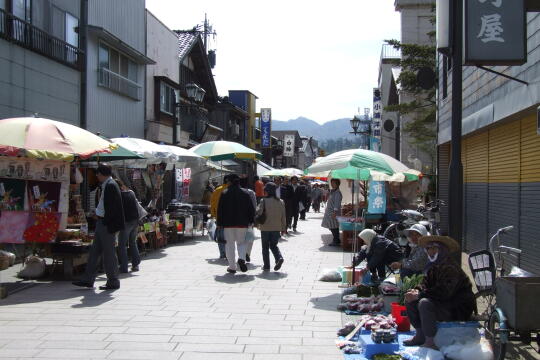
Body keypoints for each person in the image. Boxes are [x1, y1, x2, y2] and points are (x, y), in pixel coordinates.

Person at [404, 235, 475, 349]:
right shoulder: (431, 266)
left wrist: (420, 295)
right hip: (444, 303)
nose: (430, 251)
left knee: (424, 303)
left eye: (434, 248)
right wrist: (416, 291)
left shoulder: (450, 267)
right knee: (410, 299)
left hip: (458, 307)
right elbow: (424, 284)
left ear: (442, 250)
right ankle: (420, 335)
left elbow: (444, 292)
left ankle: (430, 341)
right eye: (428, 248)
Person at [73, 164, 125, 290]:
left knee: (108, 253)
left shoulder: (111, 185)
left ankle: (113, 281)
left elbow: (113, 208)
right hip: (102, 222)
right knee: (95, 251)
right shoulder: (107, 185)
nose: (96, 175)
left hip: (106, 224)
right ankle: (88, 279)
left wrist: (105, 220)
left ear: (102, 174)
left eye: (98, 173)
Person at [217, 174, 255, 274]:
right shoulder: (245, 193)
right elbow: (251, 209)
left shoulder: (224, 193)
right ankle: (242, 258)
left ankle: (232, 267)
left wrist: (219, 222)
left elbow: (220, 210)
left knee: (229, 244)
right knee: (241, 243)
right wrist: (251, 221)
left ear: (229, 182)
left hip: (228, 224)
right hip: (242, 223)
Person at [256, 182, 286, 271]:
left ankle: (266, 265)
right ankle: (279, 258)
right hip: (276, 227)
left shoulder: (263, 201)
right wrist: (284, 228)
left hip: (265, 227)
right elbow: (283, 216)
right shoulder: (281, 201)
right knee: (274, 245)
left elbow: (259, 212)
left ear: (267, 191)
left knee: (265, 247)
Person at [115, 179, 142, 273]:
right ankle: (135, 265)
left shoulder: (119, 196)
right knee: (133, 242)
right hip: (135, 221)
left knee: (122, 245)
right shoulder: (131, 193)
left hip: (126, 223)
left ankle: (123, 266)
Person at [210, 175, 231, 259]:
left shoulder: (217, 190)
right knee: (229, 237)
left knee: (221, 237)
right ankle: (229, 253)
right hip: (230, 217)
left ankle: (222, 253)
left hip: (219, 217)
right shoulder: (232, 190)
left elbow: (212, 204)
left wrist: (213, 214)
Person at [240, 177, 257, 263]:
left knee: (240, 238)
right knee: (250, 237)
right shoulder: (251, 192)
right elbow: (254, 206)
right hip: (249, 218)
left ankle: (242, 254)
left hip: (239, 219)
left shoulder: (238, 192)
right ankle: (247, 253)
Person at [322, 178, 342, 246]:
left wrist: (335, 212)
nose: (332, 184)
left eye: (334, 183)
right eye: (332, 183)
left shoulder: (337, 193)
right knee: (331, 226)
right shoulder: (332, 191)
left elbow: (337, 203)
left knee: (334, 226)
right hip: (329, 212)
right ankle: (336, 239)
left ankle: (336, 240)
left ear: (338, 184)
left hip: (333, 212)